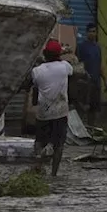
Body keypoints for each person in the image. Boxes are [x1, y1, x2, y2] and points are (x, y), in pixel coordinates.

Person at [29, 39, 75, 177]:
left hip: (43, 112)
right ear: (58, 54)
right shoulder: (64, 67)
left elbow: (34, 85)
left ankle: (38, 164)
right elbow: (73, 71)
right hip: (60, 111)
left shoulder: (37, 71)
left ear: (45, 54)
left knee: (39, 141)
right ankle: (54, 173)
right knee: (58, 144)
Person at [77, 24, 104, 120]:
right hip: (85, 82)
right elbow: (78, 64)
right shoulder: (82, 46)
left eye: (94, 31)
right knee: (84, 107)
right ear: (87, 32)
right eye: (90, 31)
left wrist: (104, 81)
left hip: (96, 82)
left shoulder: (97, 47)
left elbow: (100, 64)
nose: (92, 33)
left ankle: (92, 129)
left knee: (95, 108)